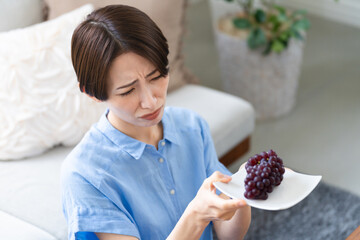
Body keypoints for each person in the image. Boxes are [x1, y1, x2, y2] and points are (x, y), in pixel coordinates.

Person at [61, 5, 251, 240]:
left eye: (156, 77)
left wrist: (245, 192)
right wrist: (196, 215)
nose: (151, 102)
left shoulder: (191, 127)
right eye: (128, 91)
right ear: (92, 93)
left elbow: (227, 236)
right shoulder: (85, 174)